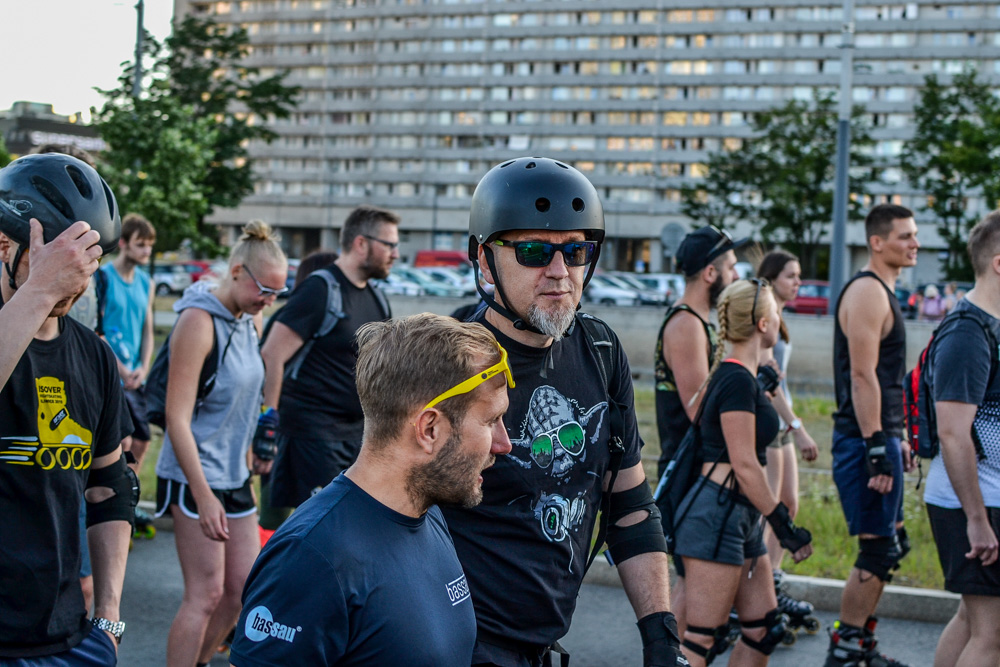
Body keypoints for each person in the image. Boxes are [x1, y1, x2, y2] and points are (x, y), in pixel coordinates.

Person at [445, 157, 687, 666]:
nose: (560, 272)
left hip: (543, 644)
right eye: (534, 252)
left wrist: (661, 637)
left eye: (576, 251)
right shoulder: (446, 359)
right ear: (486, 262)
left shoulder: (599, 348)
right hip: (458, 642)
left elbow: (631, 507)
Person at [229, 313, 513, 666]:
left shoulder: (429, 515)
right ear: (429, 429)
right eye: (490, 421)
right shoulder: (310, 558)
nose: (504, 444)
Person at [0, 153, 135, 661]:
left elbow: (109, 488)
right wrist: (39, 290)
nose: (73, 282)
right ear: (4, 244)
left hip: (69, 638)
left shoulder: (92, 354)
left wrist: (108, 619)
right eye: (58, 262)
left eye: (84, 266)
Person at [154, 221, 287, 667]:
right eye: (264, 290)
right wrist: (204, 494)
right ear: (236, 272)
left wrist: (254, 443)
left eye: (276, 293)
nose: (268, 301)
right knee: (205, 594)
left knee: (241, 588)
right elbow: (176, 417)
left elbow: (251, 394)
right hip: (194, 475)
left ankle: (199, 661)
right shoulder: (197, 321)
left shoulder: (251, 317)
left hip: (232, 474)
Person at [673, 279, 813, 667]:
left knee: (763, 631)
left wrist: (760, 387)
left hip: (738, 517)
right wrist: (784, 524)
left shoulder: (739, 376)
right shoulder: (735, 378)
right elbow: (745, 465)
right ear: (764, 323)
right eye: (777, 312)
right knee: (699, 641)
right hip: (716, 518)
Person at [826, 203, 920, 667]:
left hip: (880, 437)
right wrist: (878, 447)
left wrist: (897, 436)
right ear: (877, 242)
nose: (914, 243)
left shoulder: (883, 291)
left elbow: (887, 377)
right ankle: (844, 650)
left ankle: (858, 643)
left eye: (914, 235)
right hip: (863, 441)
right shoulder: (867, 292)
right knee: (878, 548)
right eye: (904, 236)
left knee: (892, 546)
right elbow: (863, 377)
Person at [261, 206, 397, 509]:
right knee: (320, 530)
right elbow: (272, 353)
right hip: (312, 436)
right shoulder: (320, 288)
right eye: (389, 245)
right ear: (361, 243)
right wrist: (267, 422)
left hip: (357, 437)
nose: (395, 254)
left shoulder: (376, 297)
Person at [654, 225, 744, 635]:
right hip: (689, 474)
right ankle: (671, 656)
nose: (738, 275)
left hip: (703, 473)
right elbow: (701, 413)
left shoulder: (702, 322)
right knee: (691, 585)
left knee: (699, 588)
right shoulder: (686, 324)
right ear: (711, 273)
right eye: (732, 266)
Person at [924, 211, 1000, 667]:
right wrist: (977, 519)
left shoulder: (989, 325)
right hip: (974, 503)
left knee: (974, 622)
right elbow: (952, 434)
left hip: (985, 498)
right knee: (993, 635)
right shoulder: (967, 332)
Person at [756, 251, 820, 626]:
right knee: (773, 511)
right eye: (791, 276)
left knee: (789, 504)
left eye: (799, 276)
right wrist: (798, 428)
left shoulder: (778, 316)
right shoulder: (764, 315)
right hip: (774, 421)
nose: (798, 282)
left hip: (784, 420)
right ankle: (760, 592)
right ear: (772, 278)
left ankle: (773, 582)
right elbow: (768, 379)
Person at [256, 247, 338, 543]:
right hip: (288, 428)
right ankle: (266, 568)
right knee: (277, 511)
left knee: (285, 508)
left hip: (298, 429)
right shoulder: (295, 319)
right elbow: (268, 362)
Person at [98, 213, 157, 535]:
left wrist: (143, 367)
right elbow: (97, 328)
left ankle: (126, 498)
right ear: (123, 243)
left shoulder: (146, 283)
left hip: (136, 377)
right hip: (112, 374)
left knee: (143, 438)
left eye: (150, 246)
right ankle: (112, 506)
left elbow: (148, 331)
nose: (146, 251)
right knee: (121, 439)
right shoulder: (104, 277)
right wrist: (120, 368)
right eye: (140, 244)